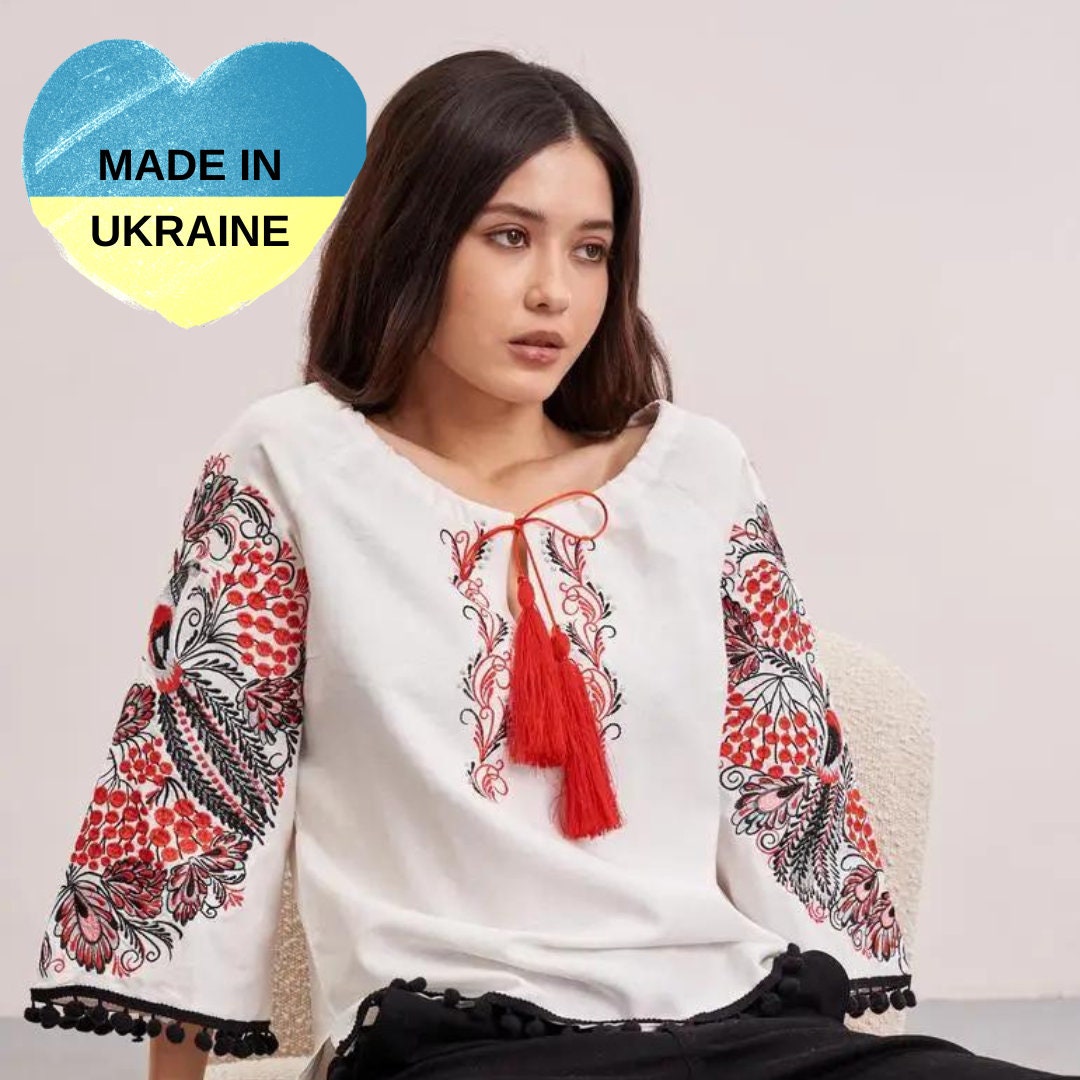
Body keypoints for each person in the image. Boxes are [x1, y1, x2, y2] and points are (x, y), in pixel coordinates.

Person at [23, 48, 1076, 1080]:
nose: (553, 292)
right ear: (411, 240)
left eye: (590, 250)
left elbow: (783, 783)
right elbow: (210, 795)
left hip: (730, 1014)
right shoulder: (295, 466)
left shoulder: (699, 474)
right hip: (455, 1039)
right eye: (510, 237)